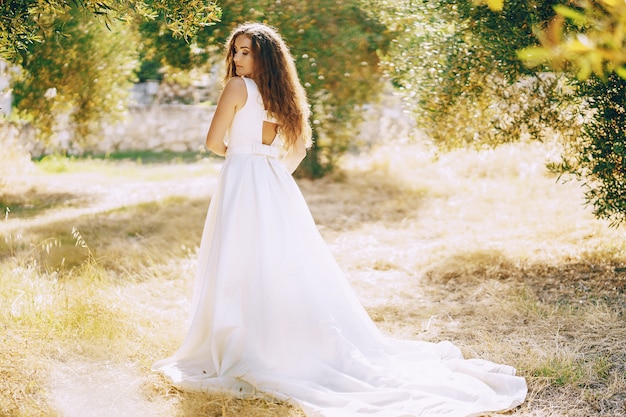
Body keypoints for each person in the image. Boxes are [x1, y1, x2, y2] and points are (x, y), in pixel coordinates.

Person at [152, 22, 527, 417]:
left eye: (245, 52)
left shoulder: (236, 89)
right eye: (235, 52)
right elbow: (295, 152)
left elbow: (213, 143)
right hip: (276, 186)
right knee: (280, 262)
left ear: (261, 55)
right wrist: (268, 168)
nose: (237, 59)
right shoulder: (285, 97)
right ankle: (277, 337)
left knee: (238, 259)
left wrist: (243, 154)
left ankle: (240, 339)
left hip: (241, 179)